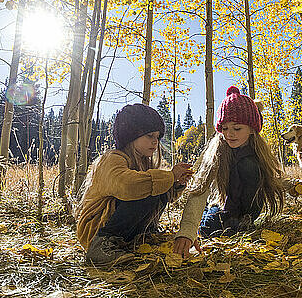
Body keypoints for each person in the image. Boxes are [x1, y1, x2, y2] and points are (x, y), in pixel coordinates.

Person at [76, 103, 193, 266]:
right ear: (131, 136)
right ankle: (102, 245)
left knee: (156, 188)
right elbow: (128, 186)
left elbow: (164, 194)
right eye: (150, 136)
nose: (155, 142)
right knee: (146, 188)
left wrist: (176, 183)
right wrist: (170, 176)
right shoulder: (112, 159)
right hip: (96, 229)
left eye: (157, 137)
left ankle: (142, 237)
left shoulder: (146, 164)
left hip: (126, 232)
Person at [173, 86, 284, 256]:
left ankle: (244, 221)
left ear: (252, 129)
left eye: (237, 128)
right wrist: (188, 230)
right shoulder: (216, 151)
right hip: (223, 204)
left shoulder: (258, 152)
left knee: (249, 165)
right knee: (209, 229)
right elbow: (200, 189)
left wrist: (295, 186)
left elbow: (272, 179)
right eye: (224, 128)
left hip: (250, 210)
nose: (230, 134)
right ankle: (225, 221)